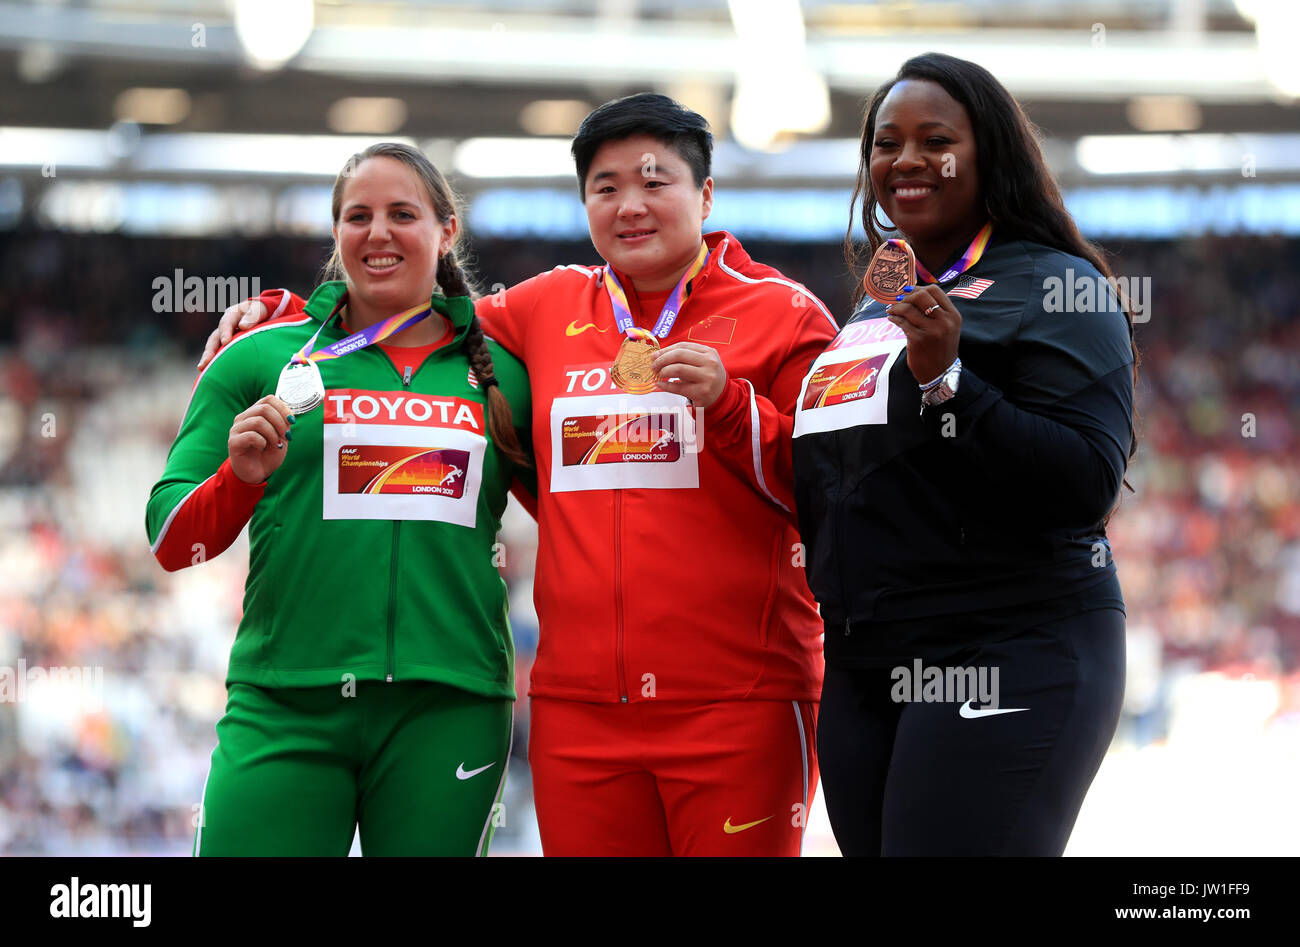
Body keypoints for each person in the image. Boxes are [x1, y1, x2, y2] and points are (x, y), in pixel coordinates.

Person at [199, 94, 836, 856]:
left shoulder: (787, 314)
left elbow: (837, 491)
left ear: (704, 194)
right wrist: (289, 312)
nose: (629, 205)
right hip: (579, 714)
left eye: (654, 182)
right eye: (605, 188)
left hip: (741, 705)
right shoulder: (546, 307)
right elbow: (408, 315)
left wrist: (733, 407)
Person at [791, 53, 1138, 856]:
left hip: (1004, 646)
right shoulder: (877, 303)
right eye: (886, 142)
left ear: (989, 154)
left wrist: (949, 379)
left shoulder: (1058, 285)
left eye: (934, 139)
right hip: (863, 663)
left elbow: (1085, 481)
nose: (905, 159)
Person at [147, 142, 532, 855]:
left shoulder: (505, 369)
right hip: (285, 702)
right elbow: (172, 537)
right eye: (358, 215)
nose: (377, 232)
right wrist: (241, 477)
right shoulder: (261, 356)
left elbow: (589, 514)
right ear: (335, 235)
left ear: (447, 231)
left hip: (448, 706)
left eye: (401, 213)